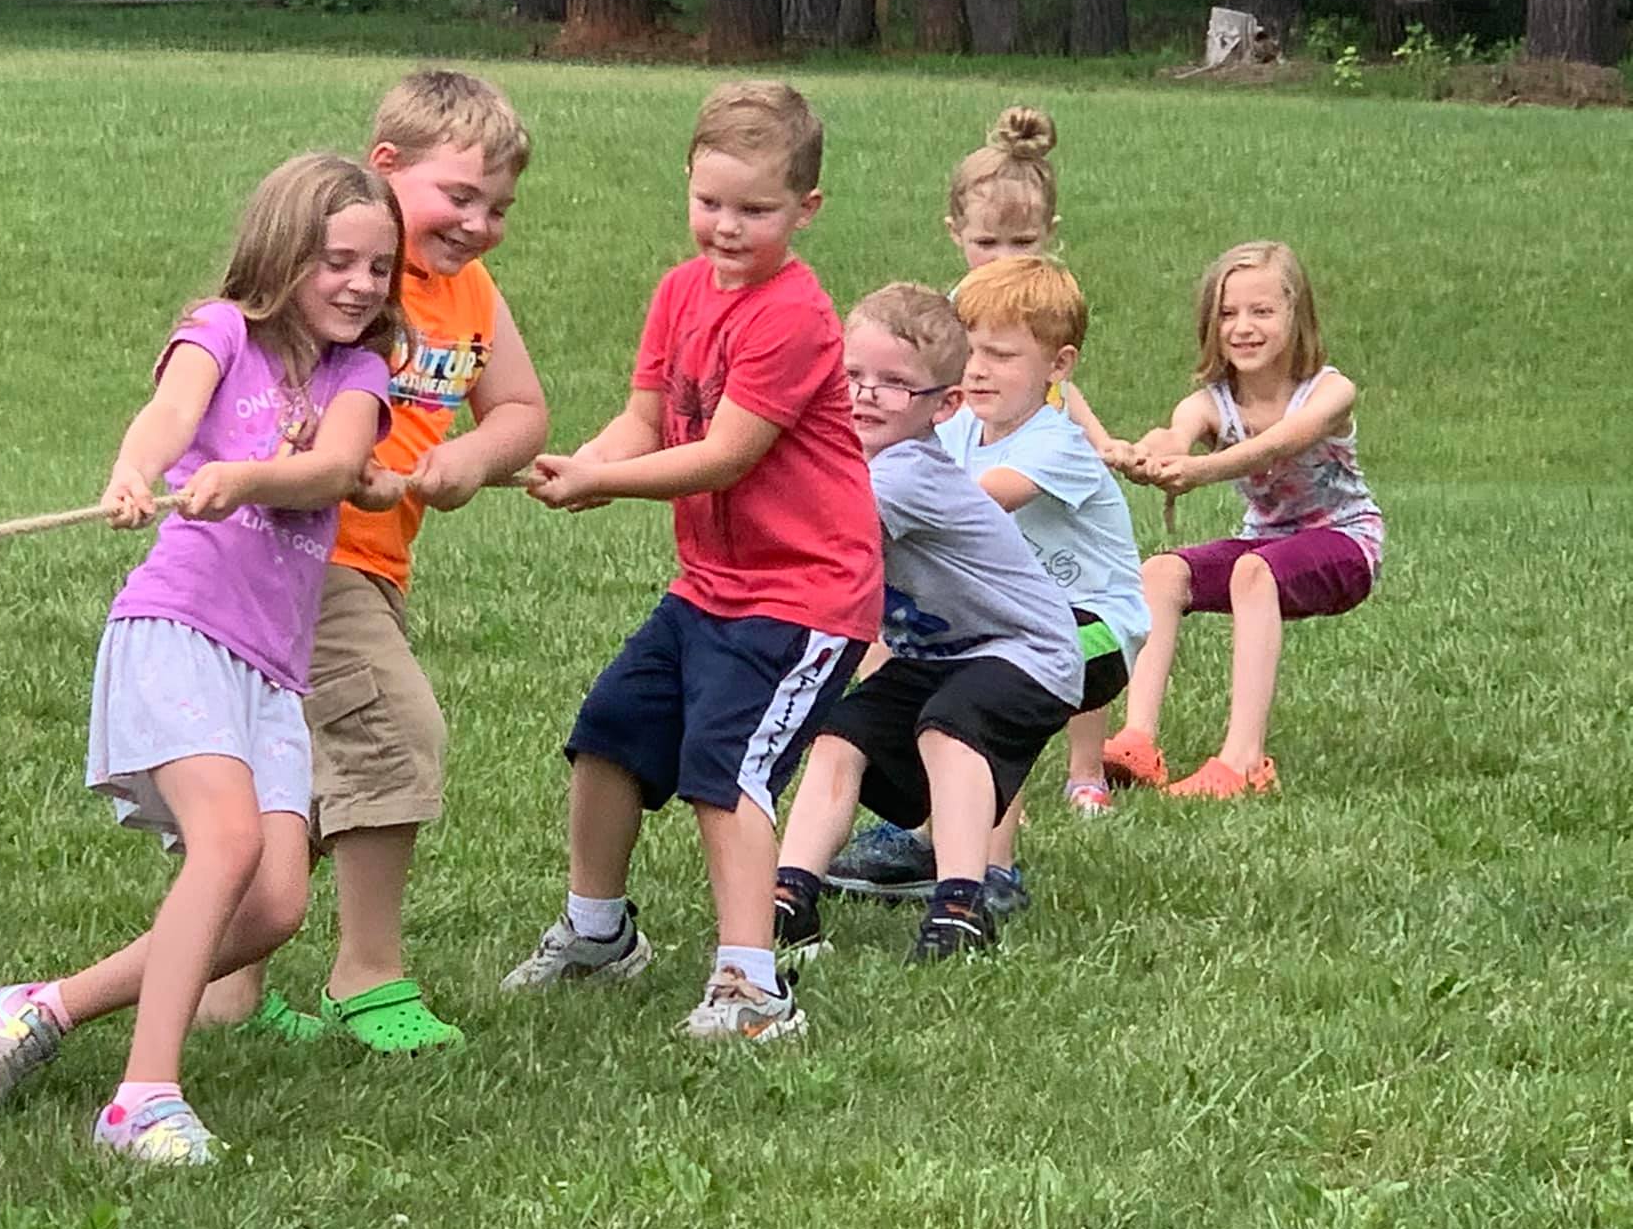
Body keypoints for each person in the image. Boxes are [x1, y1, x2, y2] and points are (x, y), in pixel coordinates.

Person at [0, 153, 401, 1164]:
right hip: (180, 630)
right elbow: (167, 415)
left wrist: (244, 476)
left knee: (275, 904)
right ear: (283, 253)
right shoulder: (221, 331)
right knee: (228, 846)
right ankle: (141, 1097)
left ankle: (48, 1007)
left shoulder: (357, 374)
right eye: (338, 261)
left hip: (270, 672)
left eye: (379, 267)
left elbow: (331, 467)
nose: (361, 285)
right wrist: (135, 471)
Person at [501, 80, 879, 1041]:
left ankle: (753, 990)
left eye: (755, 210)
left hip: (803, 599)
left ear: (805, 210)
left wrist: (605, 487)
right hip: (710, 589)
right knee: (607, 735)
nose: (727, 226)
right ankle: (598, 933)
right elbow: (643, 418)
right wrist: (584, 463)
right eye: (710, 202)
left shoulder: (792, 315)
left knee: (725, 768)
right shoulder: (678, 292)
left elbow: (724, 455)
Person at [203, 70, 549, 1054]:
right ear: (384, 166)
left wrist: (466, 459)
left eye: (498, 207)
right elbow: (251, 377)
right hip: (301, 557)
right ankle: (368, 973)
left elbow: (520, 411)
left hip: (377, 566)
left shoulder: (471, 292)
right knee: (393, 732)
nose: (478, 223)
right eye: (459, 195)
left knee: (305, 778)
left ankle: (223, 988)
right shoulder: (349, 274)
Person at [770, 284, 1084, 961]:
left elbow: (817, 537)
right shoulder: (856, 461)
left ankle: (961, 907)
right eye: (851, 376)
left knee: (950, 729)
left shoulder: (902, 473)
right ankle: (789, 894)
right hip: (937, 656)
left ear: (944, 406)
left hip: (1026, 651)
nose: (864, 394)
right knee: (838, 736)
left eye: (893, 384)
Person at [1102, 240, 1384, 799]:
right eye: (1228, 313)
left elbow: (1281, 444)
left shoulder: (1330, 391)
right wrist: (1149, 454)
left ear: (1295, 316)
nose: (1243, 327)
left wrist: (1197, 470)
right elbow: (1175, 433)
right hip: (1263, 543)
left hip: (1345, 542)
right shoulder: (1212, 402)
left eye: (1261, 312)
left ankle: (1245, 760)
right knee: (1161, 572)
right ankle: (1137, 741)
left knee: (1252, 571)